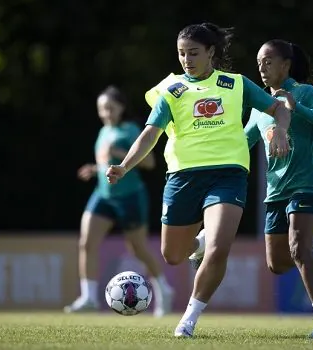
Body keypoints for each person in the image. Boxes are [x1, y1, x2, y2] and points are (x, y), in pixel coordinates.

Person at [105, 23, 291, 338]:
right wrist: (124, 166)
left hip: (227, 174)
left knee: (219, 249)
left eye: (193, 53)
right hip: (182, 177)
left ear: (211, 53)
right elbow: (151, 133)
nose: (186, 59)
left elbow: (278, 107)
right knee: (173, 256)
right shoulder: (173, 91)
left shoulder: (236, 84)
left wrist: (282, 130)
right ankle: (198, 243)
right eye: (181, 53)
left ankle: (188, 319)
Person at [244, 39, 313, 339]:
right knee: (277, 264)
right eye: (259, 62)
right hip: (275, 193)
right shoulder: (259, 106)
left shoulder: (306, 93)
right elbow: (241, 143)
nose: (261, 68)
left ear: (286, 64)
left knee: (300, 250)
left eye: (268, 61)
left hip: (308, 184)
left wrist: (297, 107)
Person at [64, 85, 174, 317]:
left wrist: (118, 151)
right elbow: (107, 164)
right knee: (86, 243)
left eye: (109, 108)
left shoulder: (131, 129)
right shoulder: (103, 131)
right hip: (104, 195)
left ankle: (163, 289)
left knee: (137, 249)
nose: (105, 113)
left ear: (121, 107)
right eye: (101, 109)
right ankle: (89, 298)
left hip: (130, 196)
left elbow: (149, 163)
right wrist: (95, 169)